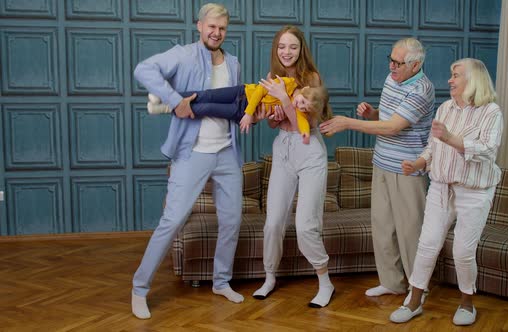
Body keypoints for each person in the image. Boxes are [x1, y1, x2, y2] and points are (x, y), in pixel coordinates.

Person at [131, 3, 254, 320]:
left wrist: (248, 115)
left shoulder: (234, 63)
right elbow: (143, 69)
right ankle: (140, 289)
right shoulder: (183, 54)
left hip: (227, 152)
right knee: (171, 221)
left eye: (222, 28)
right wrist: (175, 101)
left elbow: (236, 105)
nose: (217, 33)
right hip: (192, 153)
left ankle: (221, 282)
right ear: (199, 26)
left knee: (231, 221)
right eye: (211, 26)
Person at [390, 58, 503, 326]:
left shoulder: (491, 112)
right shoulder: (444, 109)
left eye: (456, 75)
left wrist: (451, 138)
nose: (450, 80)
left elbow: (487, 151)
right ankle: (414, 301)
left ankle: (467, 305)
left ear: (473, 80)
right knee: (427, 245)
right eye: (451, 75)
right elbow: (433, 147)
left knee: (463, 251)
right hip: (440, 188)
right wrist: (419, 162)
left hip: (474, 192)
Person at [319, 38, 434, 299]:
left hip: (407, 168)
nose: (392, 66)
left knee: (410, 231)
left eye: (398, 62)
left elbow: (394, 127)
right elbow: (389, 118)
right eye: (390, 60)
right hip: (382, 161)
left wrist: (348, 123)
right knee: (382, 226)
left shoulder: (421, 89)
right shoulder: (392, 78)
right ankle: (392, 283)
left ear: (415, 65)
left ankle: (418, 289)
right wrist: (373, 113)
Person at [251, 25, 335, 308]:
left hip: (309, 149)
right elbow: (279, 122)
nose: (286, 52)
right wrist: (267, 115)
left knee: (305, 225)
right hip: (283, 148)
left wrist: (285, 100)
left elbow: (309, 123)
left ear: (301, 50)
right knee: (273, 222)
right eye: (282, 47)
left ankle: (325, 282)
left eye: (293, 47)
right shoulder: (275, 78)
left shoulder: (311, 78)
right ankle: (270, 276)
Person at [145, 76, 314, 143]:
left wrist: (305, 133)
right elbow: (261, 90)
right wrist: (249, 114)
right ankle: (165, 96)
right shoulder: (288, 83)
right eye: (303, 101)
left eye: (305, 108)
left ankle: (166, 108)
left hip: (240, 112)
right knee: (207, 95)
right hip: (243, 93)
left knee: (208, 108)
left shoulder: (295, 109)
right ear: (304, 89)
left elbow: (301, 122)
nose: (300, 106)